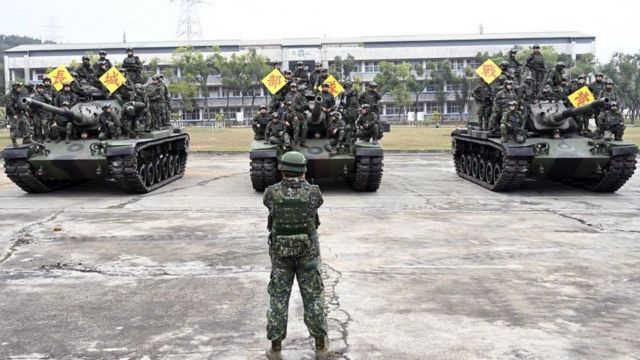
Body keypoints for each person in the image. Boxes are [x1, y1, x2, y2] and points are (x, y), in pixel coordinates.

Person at [263, 151, 328, 359]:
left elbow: (269, 206)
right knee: (313, 297)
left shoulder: (271, 193)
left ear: (281, 170)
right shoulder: (313, 193)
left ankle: (275, 348)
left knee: (278, 298)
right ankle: (320, 347)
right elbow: (316, 204)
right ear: (303, 170)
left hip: (281, 255)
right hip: (307, 253)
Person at [6, 81, 33, 146]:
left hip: (20, 113)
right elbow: (9, 106)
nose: (20, 88)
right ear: (15, 87)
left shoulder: (19, 94)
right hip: (13, 114)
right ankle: (14, 142)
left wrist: (25, 111)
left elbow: (21, 104)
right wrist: (14, 114)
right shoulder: (9, 95)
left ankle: (26, 139)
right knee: (14, 128)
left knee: (26, 125)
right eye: (19, 87)